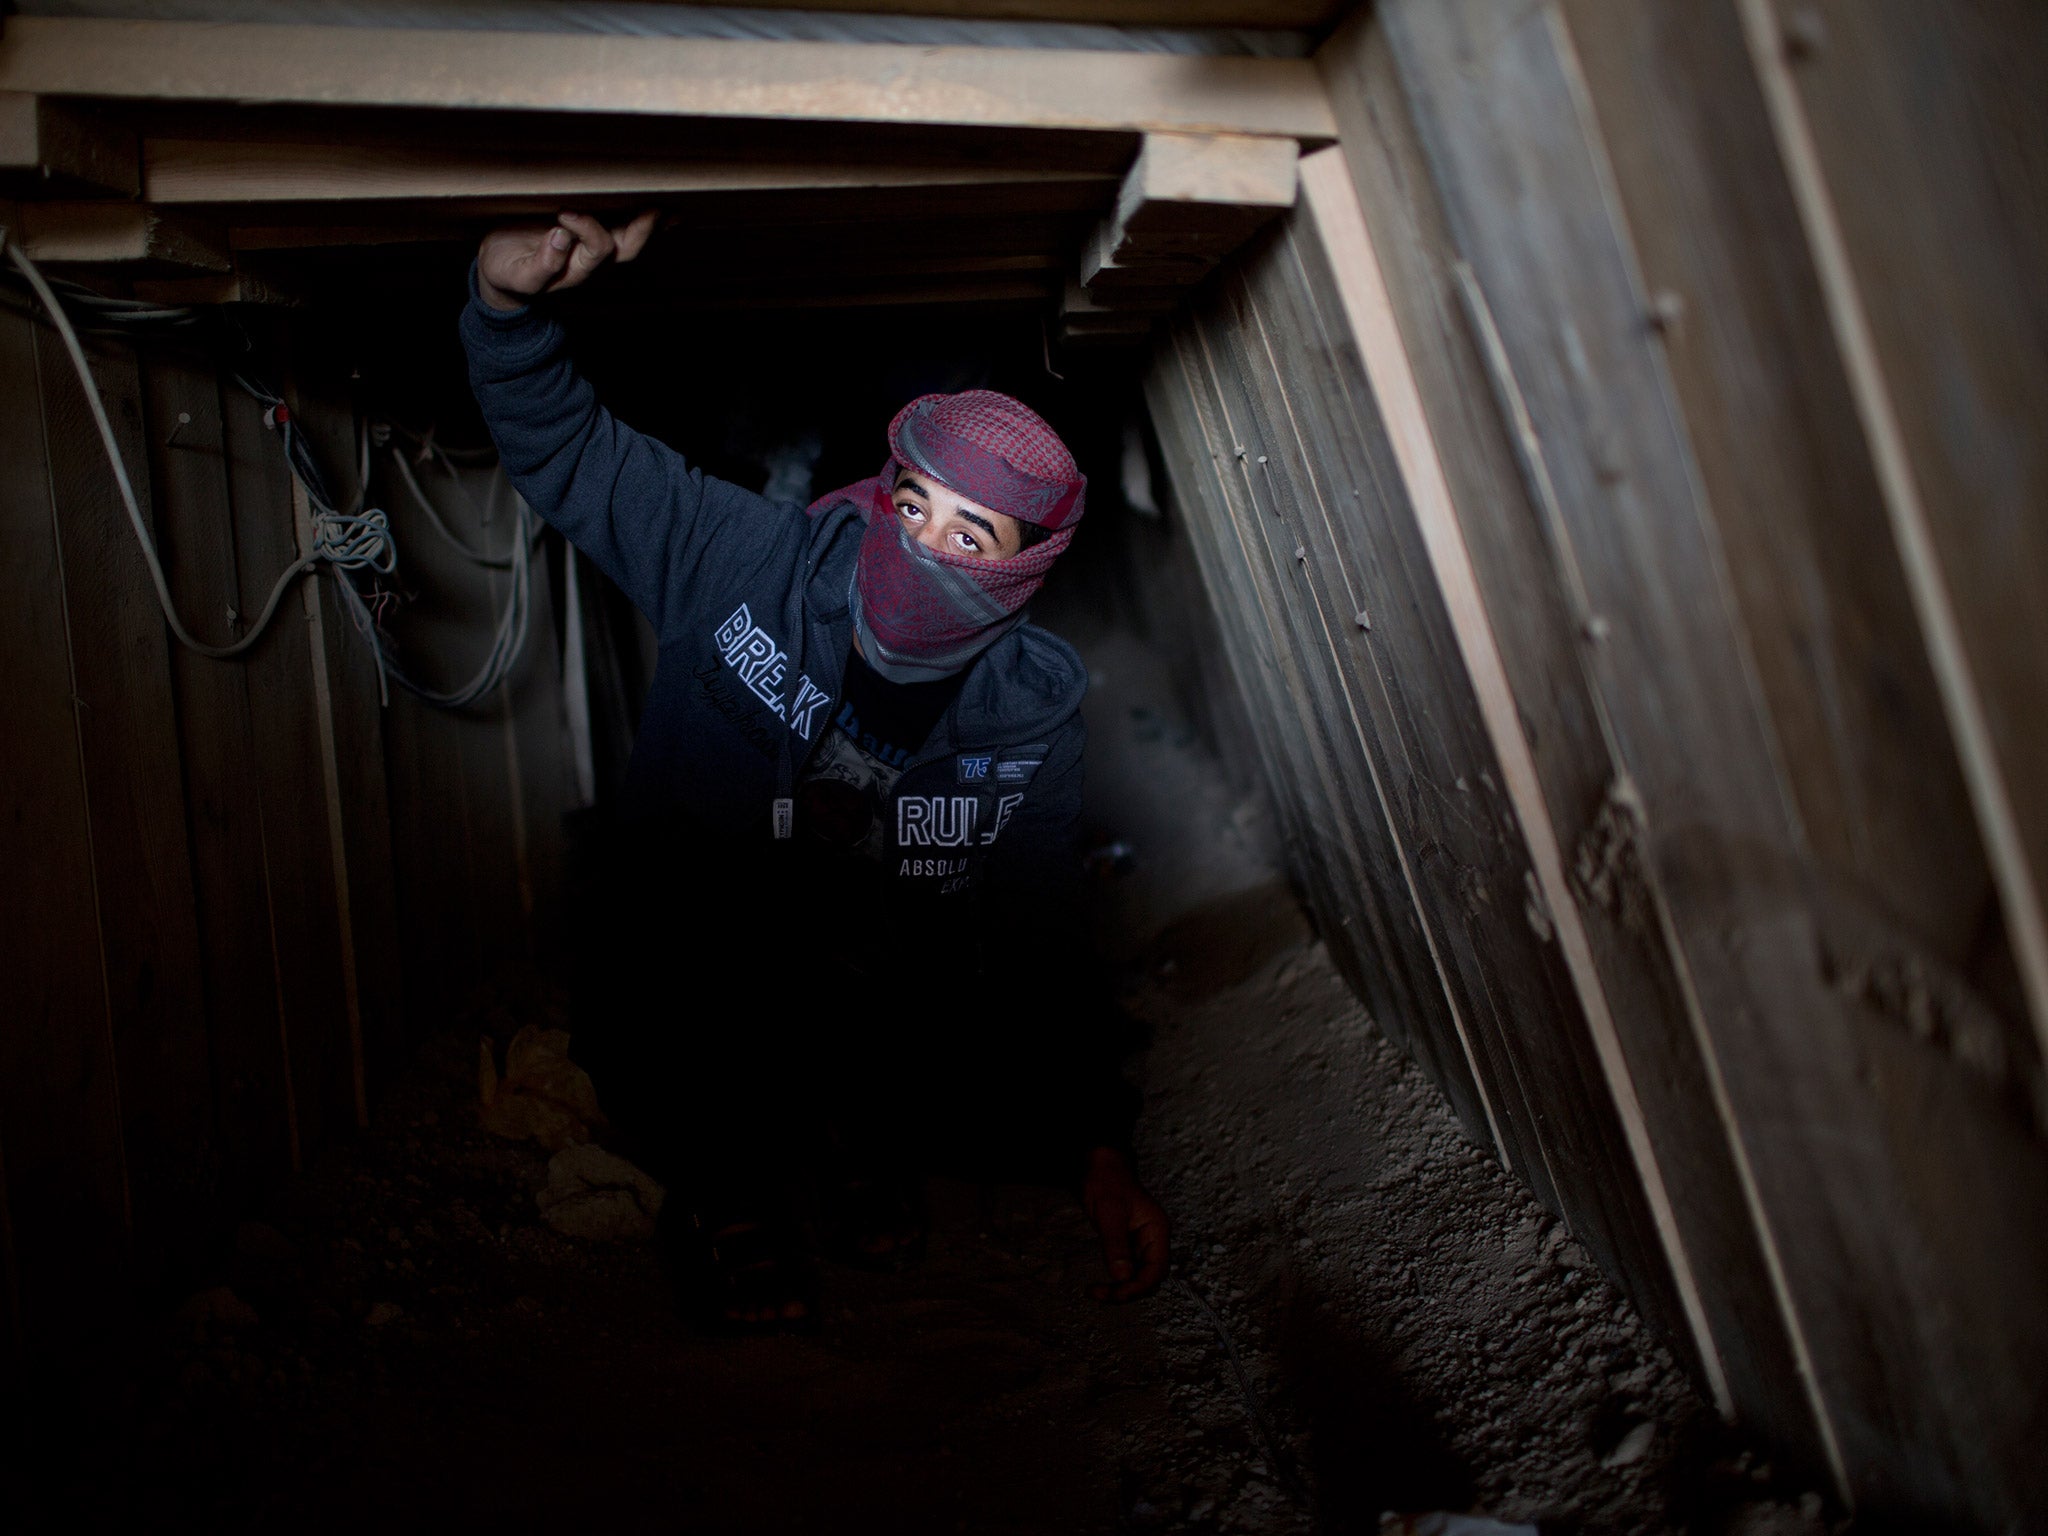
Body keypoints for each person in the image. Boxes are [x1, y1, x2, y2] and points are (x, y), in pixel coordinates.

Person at [462, 210, 1169, 1329]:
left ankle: (857, 1141)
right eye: (912, 505)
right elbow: (570, 455)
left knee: (927, 974)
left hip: (854, 964)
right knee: (672, 945)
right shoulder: (754, 565)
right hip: (687, 942)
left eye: (968, 538)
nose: (922, 547)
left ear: (1018, 570)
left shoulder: (1019, 712)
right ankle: (719, 1187)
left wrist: (1093, 1149)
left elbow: (1040, 934)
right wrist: (506, 311)